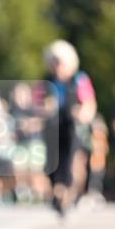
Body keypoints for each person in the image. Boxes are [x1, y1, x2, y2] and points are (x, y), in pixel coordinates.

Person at [43, 41, 97, 216]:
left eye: (59, 62)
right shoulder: (47, 80)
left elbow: (89, 103)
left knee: (69, 160)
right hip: (52, 126)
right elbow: (38, 102)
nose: (56, 66)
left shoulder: (79, 79)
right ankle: (57, 192)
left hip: (72, 125)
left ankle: (64, 195)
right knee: (51, 162)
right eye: (54, 61)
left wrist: (82, 113)